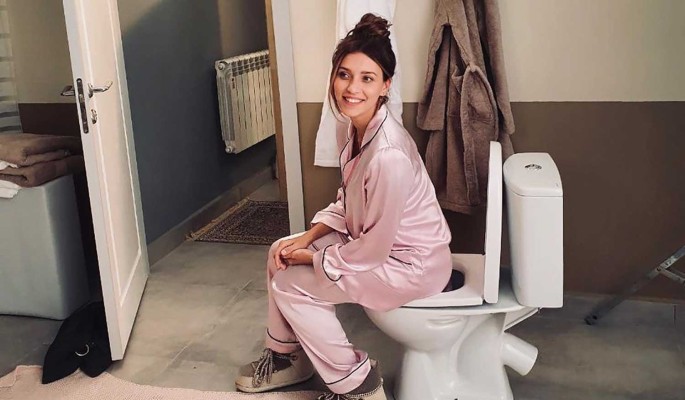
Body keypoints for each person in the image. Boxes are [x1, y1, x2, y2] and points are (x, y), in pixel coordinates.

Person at [235, 13, 452, 400]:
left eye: (367, 78)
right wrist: (307, 238)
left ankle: (359, 385)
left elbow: (374, 249)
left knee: (291, 284)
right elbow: (348, 200)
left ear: (385, 85)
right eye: (344, 75)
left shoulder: (388, 154)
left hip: (409, 266)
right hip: (375, 246)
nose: (352, 88)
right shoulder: (352, 128)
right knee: (279, 250)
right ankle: (288, 358)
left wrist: (312, 259)